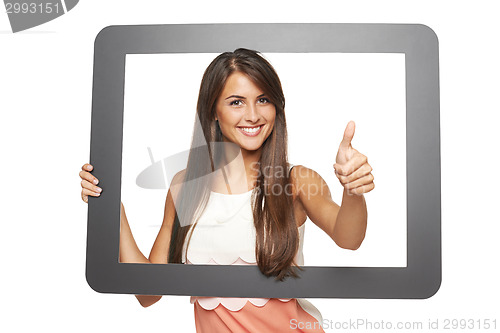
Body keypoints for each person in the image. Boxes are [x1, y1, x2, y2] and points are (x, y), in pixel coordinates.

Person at [79, 48, 374, 332]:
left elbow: (348, 237)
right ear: (213, 113)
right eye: (236, 102)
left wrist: (353, 190)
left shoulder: (296, 181)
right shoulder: (184, 187)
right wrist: (110, 209)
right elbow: (147, 294)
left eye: (263, 100)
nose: (253, 115)